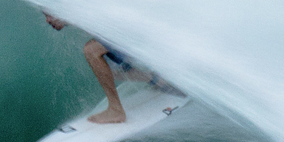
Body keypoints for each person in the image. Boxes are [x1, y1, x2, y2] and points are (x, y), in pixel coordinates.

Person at [44, 13, 185, 124]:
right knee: (112, 71)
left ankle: (116, 110)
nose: (47, 20)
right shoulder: (79, 13)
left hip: (137, 27)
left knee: (91, 50)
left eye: (49, 14)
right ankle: (158, 80)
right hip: (131, 30)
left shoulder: (81, 8)